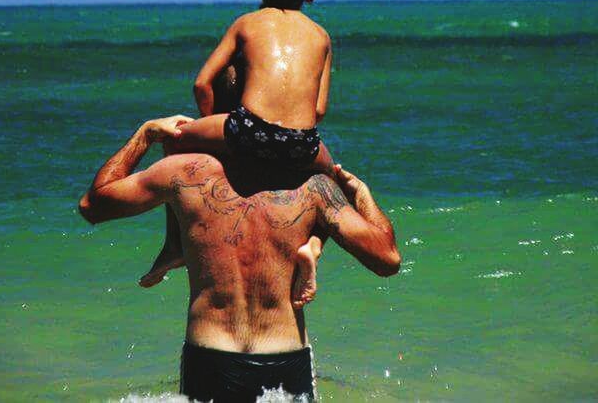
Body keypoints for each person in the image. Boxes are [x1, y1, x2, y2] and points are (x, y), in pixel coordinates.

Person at [78, 115, 401, 402]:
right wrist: (361, 193)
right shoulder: (313, 186)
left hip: (210, 356)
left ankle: (173, 247)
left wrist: (146, 134)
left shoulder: (183, 172)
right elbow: (387, 259)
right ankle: (313, 247)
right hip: (283, 355)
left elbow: (93, 205)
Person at [142, 0, 336, 306]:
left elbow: (202, 83)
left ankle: (173, 244)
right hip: (302, 141)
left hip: (248, 128)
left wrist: (214, 126)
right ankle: (312, 247)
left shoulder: (246, 24)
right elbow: (319, 109)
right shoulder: (321, 36)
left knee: (176, 138)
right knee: (332, 182)